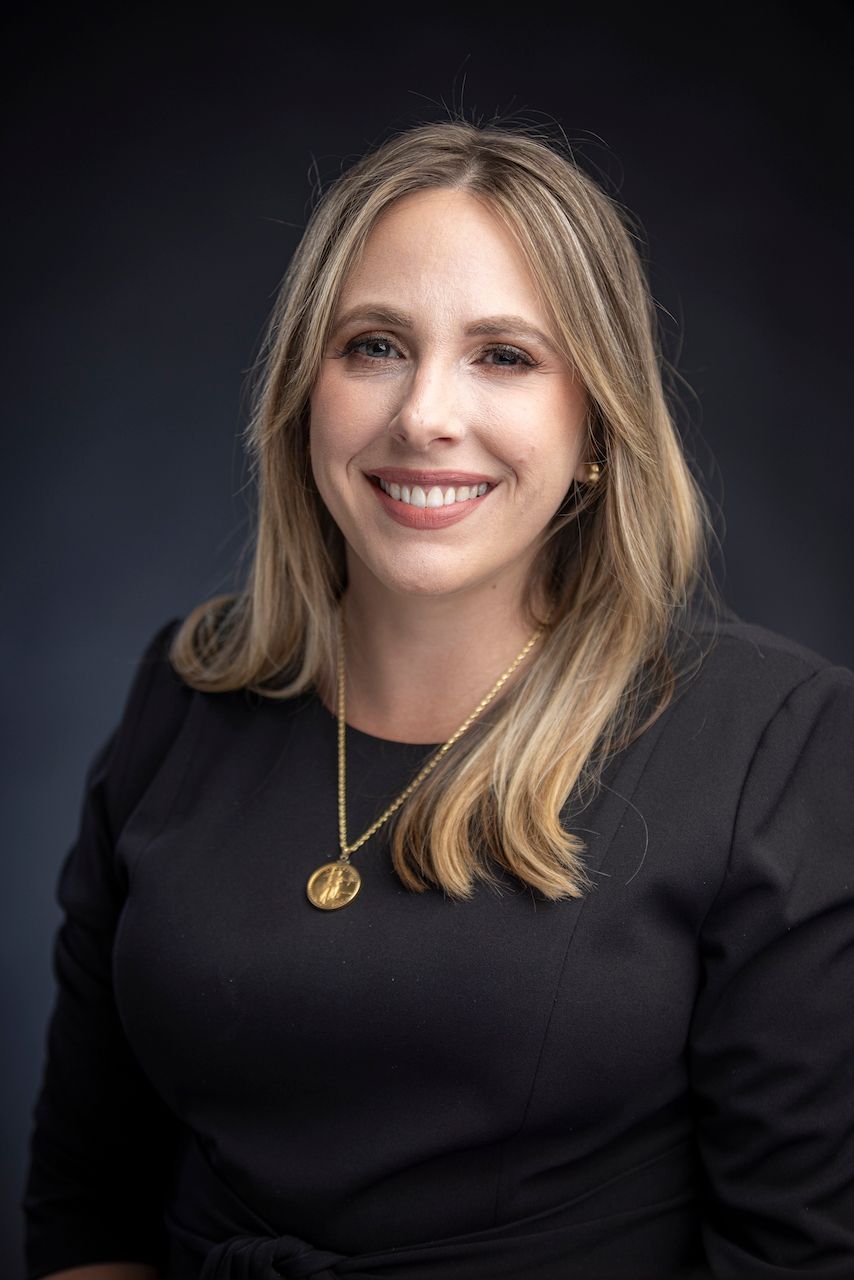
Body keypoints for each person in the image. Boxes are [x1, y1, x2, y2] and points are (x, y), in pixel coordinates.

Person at [22, 119, 854, 1280]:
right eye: (372, 345)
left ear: (593, 429)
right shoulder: (185, 690)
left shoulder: (777, 742)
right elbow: (86, 1203)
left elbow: (798, 1257)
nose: (422, 415)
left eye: (503, 355)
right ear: (303, 393)